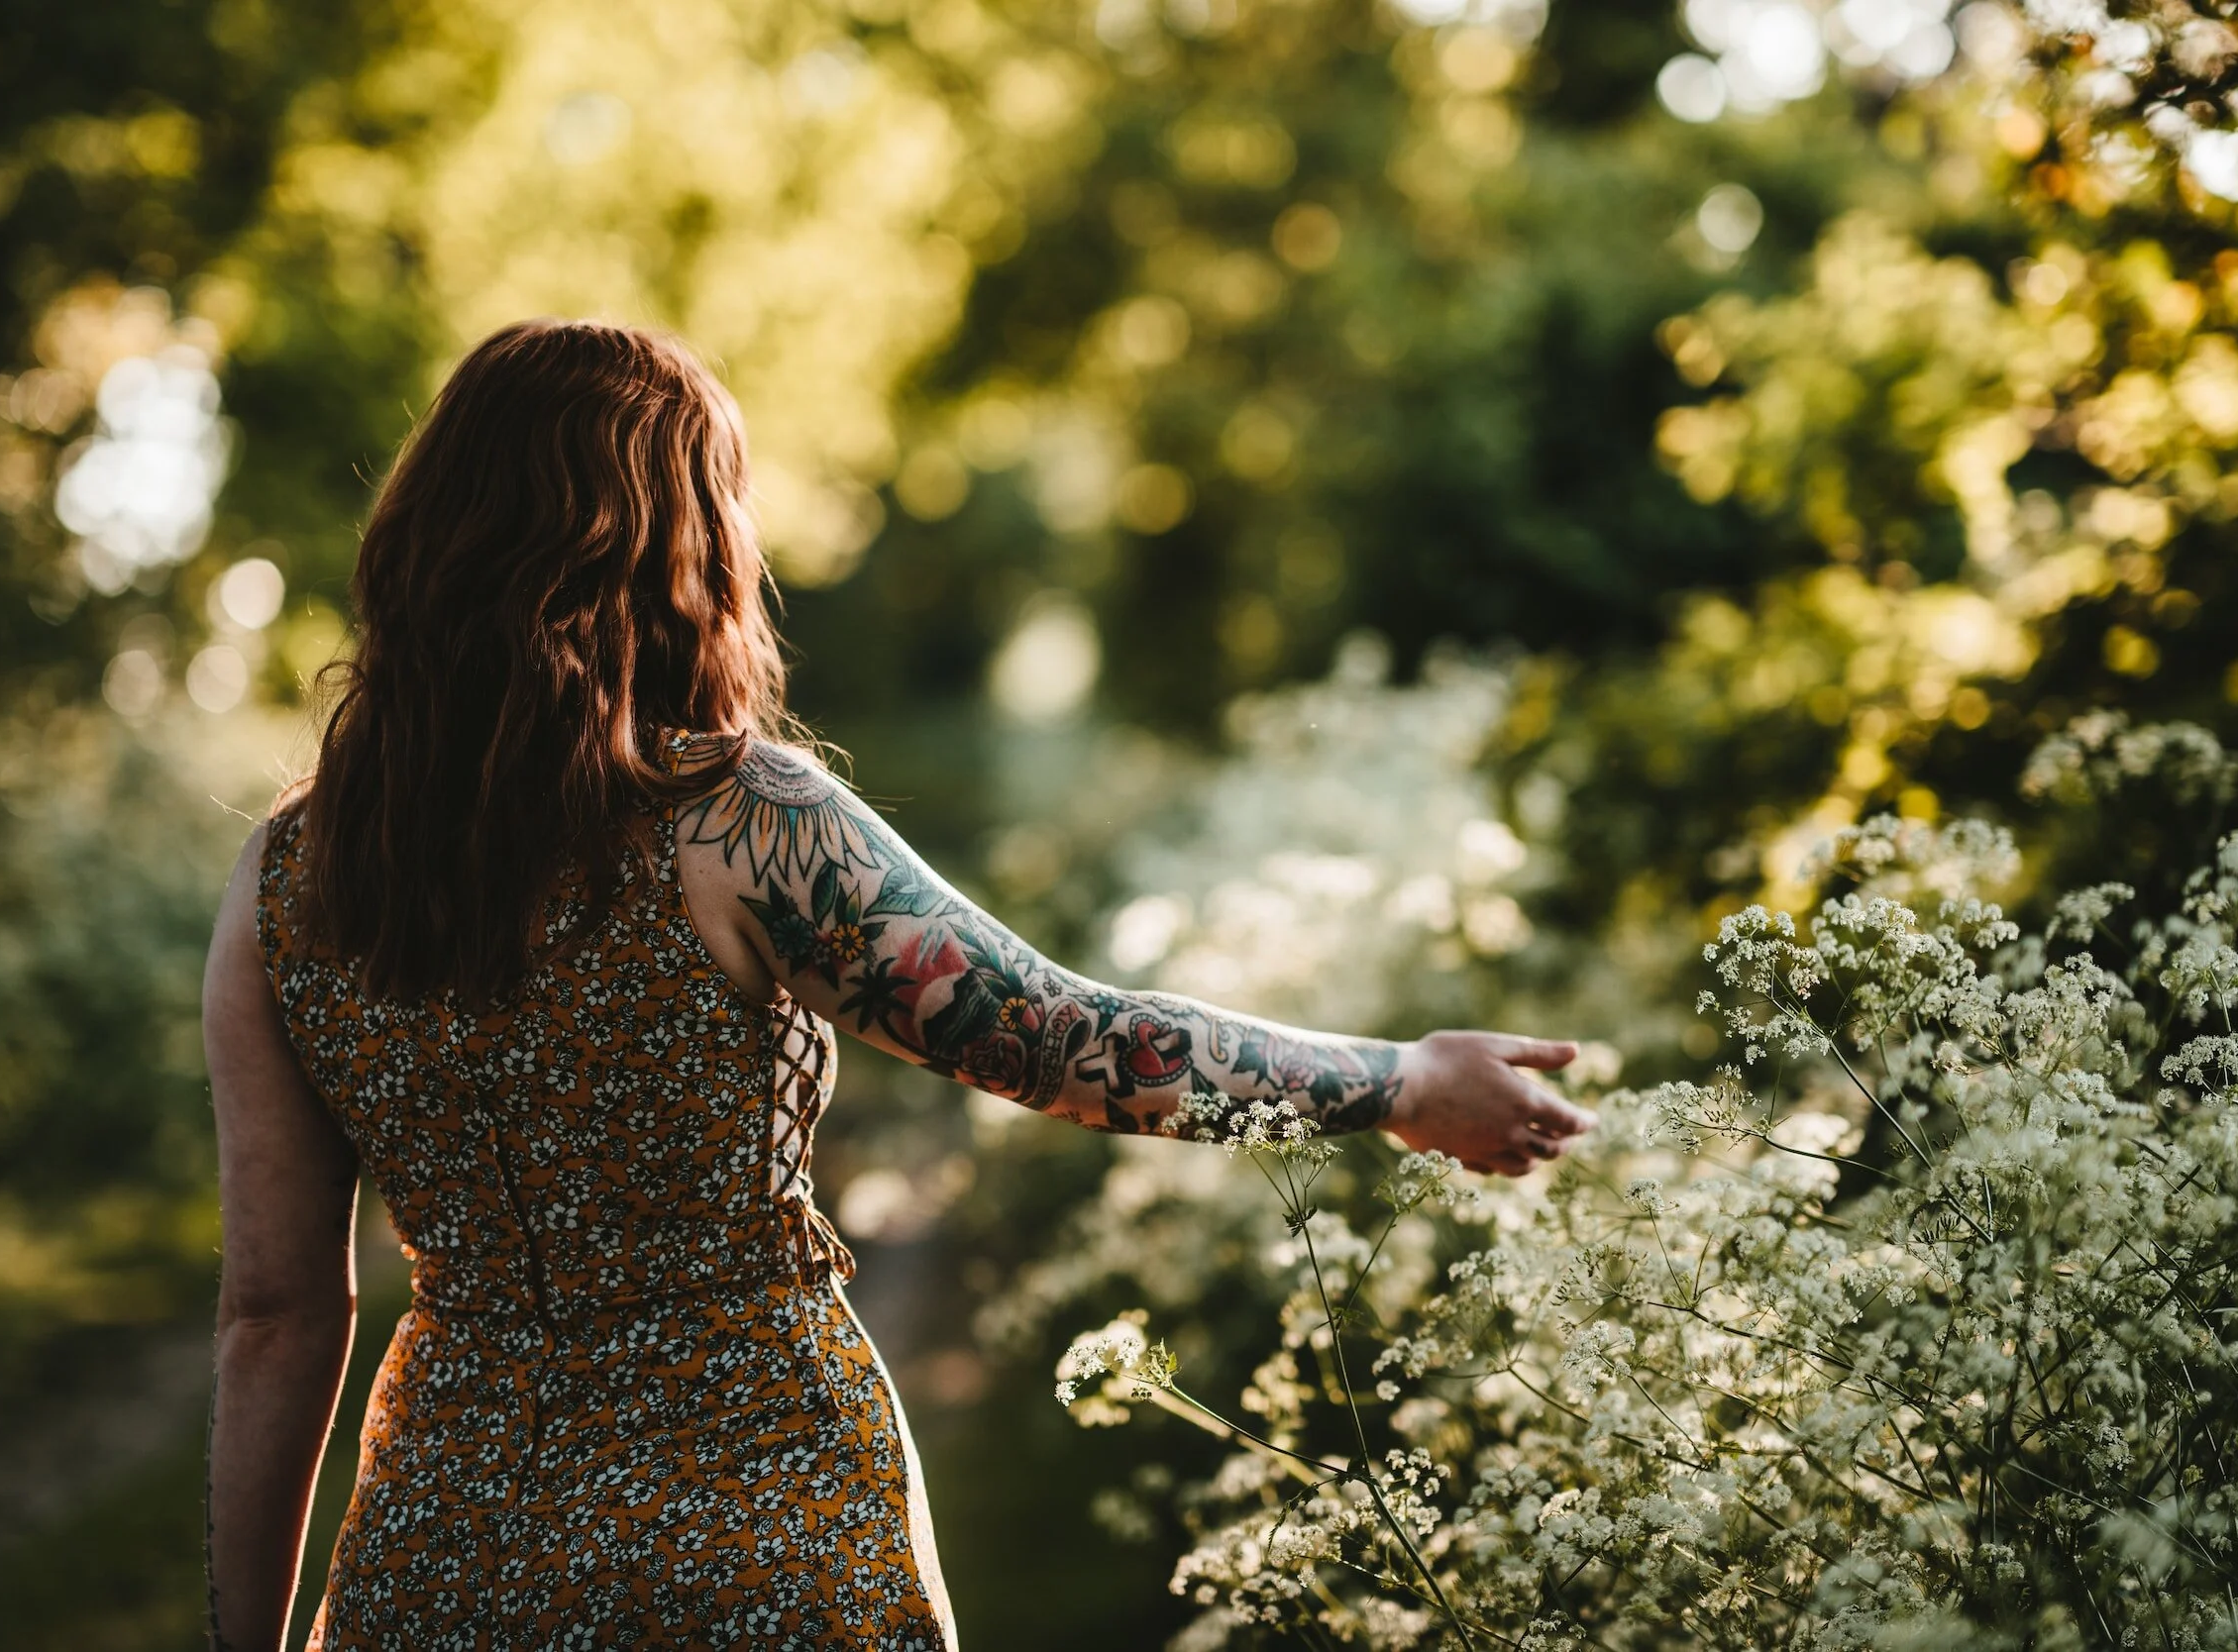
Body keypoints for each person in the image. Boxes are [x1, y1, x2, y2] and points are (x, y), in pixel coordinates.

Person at [202, 318, 1594, 1649]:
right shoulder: (740, 823)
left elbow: (275, 1315)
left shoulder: (289, 880)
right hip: (759, 1529)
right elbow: (1065, 1042)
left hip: (452, 1557)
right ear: (678, 547)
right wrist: (1401, 1082)